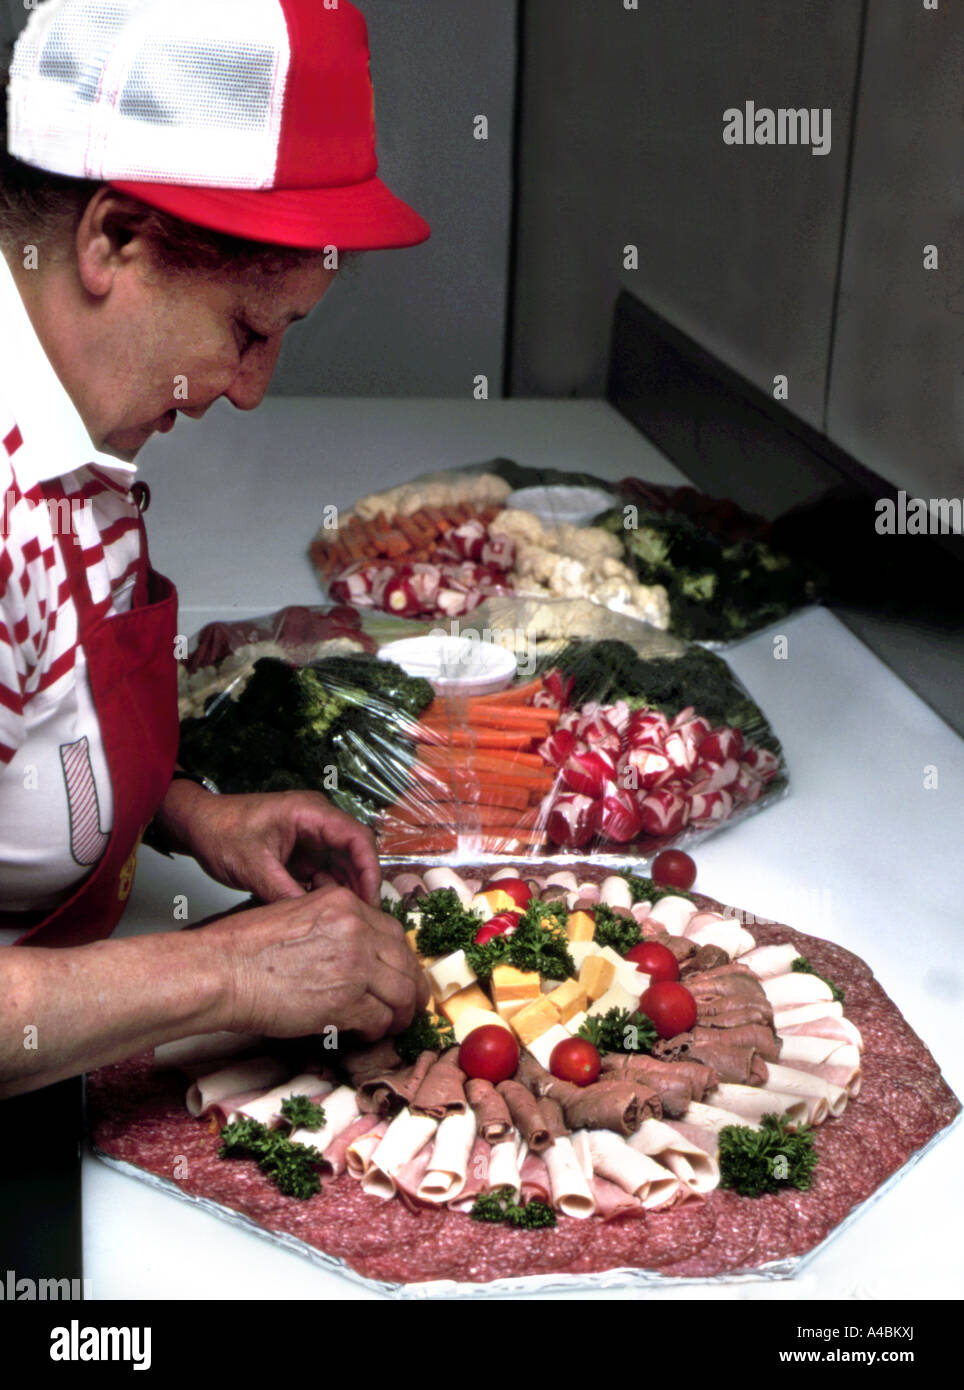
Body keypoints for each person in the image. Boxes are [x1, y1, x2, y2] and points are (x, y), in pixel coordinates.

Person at [0, 0, 431, 1100]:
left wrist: (190, 813)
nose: (250, 391)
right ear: (113, 241)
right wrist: (225, 970)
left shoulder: (67, 408)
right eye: (246, 329)